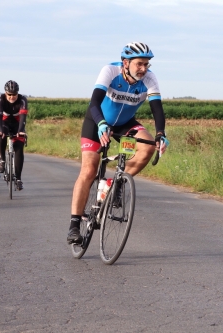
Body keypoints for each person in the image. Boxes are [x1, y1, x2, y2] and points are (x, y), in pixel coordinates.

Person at [67, 42, 170, 244]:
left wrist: (160, 134)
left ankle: (117, 183)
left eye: (146, 64)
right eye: (139, 64)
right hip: (97, 121)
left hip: (124, 124)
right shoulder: (110, 71)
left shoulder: (149, 78)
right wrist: (101, 123)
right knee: (89, 171)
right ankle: (74, 225)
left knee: (148, 145)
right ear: (126, 62)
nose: (143, 69)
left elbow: (157, 108)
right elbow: (94, 102)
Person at [0, 80, 27, 191]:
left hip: (17, 124)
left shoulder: (22, 100)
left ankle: (18, 178)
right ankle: (3, 160)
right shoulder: (0, 99)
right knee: (1, 134)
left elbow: (23, 117)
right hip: (4, 122)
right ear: (5, 93)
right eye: (9, 94)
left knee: (19, 148)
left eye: (14, 94)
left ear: (17, 93)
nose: (12, 97)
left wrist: (21, 130)